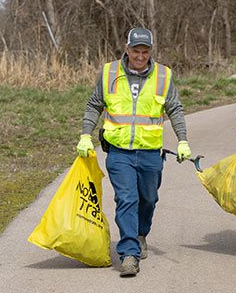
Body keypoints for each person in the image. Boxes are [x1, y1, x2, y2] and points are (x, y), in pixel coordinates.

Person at [76, 27, 192, 277]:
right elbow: (94, 104)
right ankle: (129, 252)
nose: (140, 56)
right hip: (119, 152)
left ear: (151, 51)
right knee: (126, 198)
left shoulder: (163, 75)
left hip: (151, 152)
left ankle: (140, 234)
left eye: (145, 51)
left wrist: (183, 140)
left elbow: (175, 109)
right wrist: (86, 134)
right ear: (126, 49)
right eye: (135, 50)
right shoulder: (109, 73)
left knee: (148, 199)